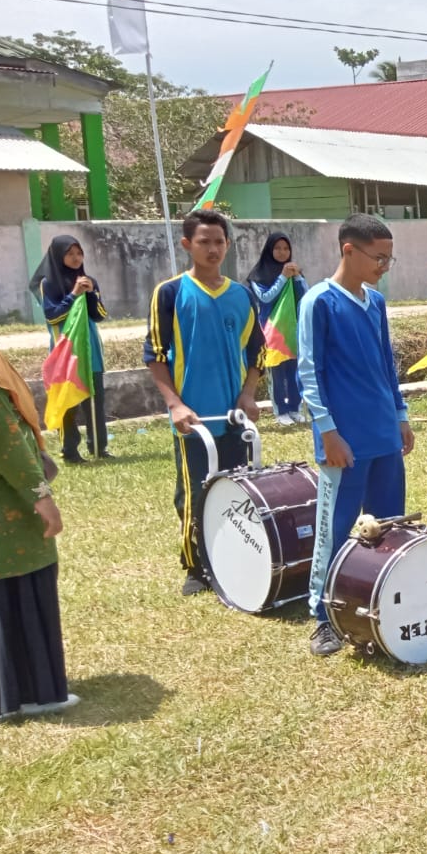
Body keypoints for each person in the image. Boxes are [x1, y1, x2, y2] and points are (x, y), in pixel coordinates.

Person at [298, 215, 415, 656]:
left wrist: (400, 415)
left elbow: (387, 365)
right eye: (378, 257)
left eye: (389, 257)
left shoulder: (375, 302)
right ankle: (322, 616)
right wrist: (327, 431)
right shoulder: (320, 302)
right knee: (336, 527)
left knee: (387, 525)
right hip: (343, 441)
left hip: (383, 432)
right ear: (349, 250)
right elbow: (309, 372)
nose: (384, 265)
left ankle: (380, 602)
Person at [144, 210, 264, 596]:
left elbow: (256, 353)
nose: (213, 249)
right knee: (194, 494)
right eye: (204, 242)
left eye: (219, 242)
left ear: (228, 245)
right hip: (193, 420)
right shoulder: (170, 293)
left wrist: (248, 394)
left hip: (233, 417)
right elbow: (156, 355)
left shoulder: (242, 295)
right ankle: (197, 566)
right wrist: (175, 404)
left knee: (238, 492)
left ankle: (236, 557)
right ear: (186, 245)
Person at [0, 340, 73, 720]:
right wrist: (42, 497)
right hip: (5, 512)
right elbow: (5, 442)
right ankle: (32, 692)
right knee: (17, 590)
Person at [30, 235, 109, 463]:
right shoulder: (48, 284)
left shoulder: (88, 280)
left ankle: (99, 448)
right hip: (65, 352)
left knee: (96, 400)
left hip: (90, 350)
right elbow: (52, 316)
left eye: (79, 253)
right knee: (68, 404)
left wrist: (92, 293)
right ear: (57, 256)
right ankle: (70, 450)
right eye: (70, 253)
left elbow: (100, 316)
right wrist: (74, 294)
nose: (76, 258)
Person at [247, 232, 307, 425]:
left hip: (293, 328)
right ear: (269, 250)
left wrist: (297, 277)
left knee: (294, 371)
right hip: (271, 330)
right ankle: (280, 410)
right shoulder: (258, 275)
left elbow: (306, 296)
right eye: (277, 248)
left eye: (286, 248)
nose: (282, 253)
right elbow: (265, 298)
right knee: (276, 371)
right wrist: (282, 277)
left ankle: (295, 409)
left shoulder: (294, 271)